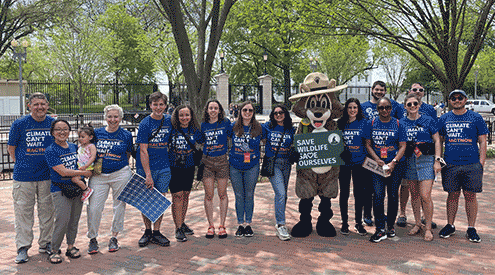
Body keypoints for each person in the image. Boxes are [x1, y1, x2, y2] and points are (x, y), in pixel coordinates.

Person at [8, 93, 55, 264]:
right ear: (29, 106)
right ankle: (22, 247)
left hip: (48, 176)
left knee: (48, 212)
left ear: (47, 105)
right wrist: (22, 164)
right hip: (24, 177)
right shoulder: (19, 124)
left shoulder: (53, 123)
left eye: (42, 104)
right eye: (36, 104)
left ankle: (46, 243)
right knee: (23, 214)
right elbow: (11, 148)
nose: (40, 107)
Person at [438, 90, 488, 243]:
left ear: (465, 100)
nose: (457, 100)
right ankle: (450, 225)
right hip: (451, 164)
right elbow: (439, 141)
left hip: (471, 164)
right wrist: (439, 159)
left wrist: (481, 162)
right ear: (449, 100)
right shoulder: (444, 118)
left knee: (470, 196)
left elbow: (483, 141)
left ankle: (471, 228)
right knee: (452, 195)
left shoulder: (476, 117)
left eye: (460, 98)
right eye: (453, 98)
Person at [86, 105, 133, 254]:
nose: (113, 120)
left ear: (120, 118)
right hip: (99, 176)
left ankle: (114, 237)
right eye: (110, 116)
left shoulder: (126, 135)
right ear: (105, 118)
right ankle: (92, 238)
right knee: (94, 208)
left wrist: (119, 165)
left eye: (116, 116)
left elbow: (128, 153)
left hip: (120, 173)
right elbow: (87, 151)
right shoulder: (97, 133)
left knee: (119, 205)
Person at [44, 119, 92, 264]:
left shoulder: (73, 147)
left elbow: (83, 161)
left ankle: (71, 246)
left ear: (69, 131)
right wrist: (83, 174)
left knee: (74, 220)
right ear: (52, 133)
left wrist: (85, 170)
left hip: (76, 189)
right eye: (58, 129)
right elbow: (63, 172)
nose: (62, 132)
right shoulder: (51, 150)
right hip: (60, 189)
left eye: (65, 129)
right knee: (62, 220)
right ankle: (54, 250)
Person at [400, 94, 442, 242]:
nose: (412, 106)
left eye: (415, 104)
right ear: (405, 106)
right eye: (409, 104)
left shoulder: (428, 120)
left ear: (419, 104)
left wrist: (437, 160)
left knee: (425, 195)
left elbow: (437, 140)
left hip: (426, 160)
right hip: (409, 161)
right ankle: (417, 223)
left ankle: (428, 228)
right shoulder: (402, 122)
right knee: (414, 195)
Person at [364, 97, 407, 243]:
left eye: (387, 107)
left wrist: (394, 162)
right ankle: (380, 227)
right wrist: (376, 158)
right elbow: (368, 144)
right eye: (381, 108)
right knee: (378, 195)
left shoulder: (398, 124)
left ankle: (390, 226)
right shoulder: (371, 123)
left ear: (391, 109)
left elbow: (403, 146)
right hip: (377, 166)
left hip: (395, 166)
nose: (384, 110)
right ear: (377, 109)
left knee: (393, 195)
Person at [136, 92, 173, 247]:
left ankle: (157, 231)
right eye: (155, 104)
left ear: (165, 106)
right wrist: (148, 174)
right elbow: (143, 150)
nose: (158, 108)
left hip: (164, 166)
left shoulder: (170, 120)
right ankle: (147, 230)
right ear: (150, 105)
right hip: (146, 167)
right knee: (146, 199)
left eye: (161, 104)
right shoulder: (145, 124)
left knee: (160, 199)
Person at [336, 98, 371, 237]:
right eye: (350, 107)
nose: (352, 110)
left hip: (359, 163)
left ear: (358, 109)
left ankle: (358, 223)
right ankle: (344, 223)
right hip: (344, 163)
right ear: (346, 109)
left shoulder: (364, 123)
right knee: (344, 193)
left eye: (355, 107)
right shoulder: (340, 123)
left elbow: (368, 143)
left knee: (359, 194)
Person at [230, 101, 264, 238]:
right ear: (240, 111)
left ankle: (248, 224)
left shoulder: (258, 128)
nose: (247, 113)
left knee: (249, 195)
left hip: (252, 166)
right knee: (239, 196)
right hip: (235, 166)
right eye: (245, 110)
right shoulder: (233, 127)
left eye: (250, 110)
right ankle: (240, 224)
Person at [169, 105, 202, 242]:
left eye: (187, 115)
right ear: (177, 116)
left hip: (189, 167)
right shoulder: (171, 130)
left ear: (191, 116)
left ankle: (182, 222)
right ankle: (177, 227)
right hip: (174, 167)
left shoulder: (195, 130)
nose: (184, 118)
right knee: (177, 196)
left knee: (186, 195)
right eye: (181, 115)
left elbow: (203, 143)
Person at [262, 104, 295, 241]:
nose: (278, 115)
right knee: (280, 193)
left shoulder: (291, 129)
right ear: (272, 115)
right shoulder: (267, 127)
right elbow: (260, 137)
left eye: (281, 112)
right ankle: (281, 224)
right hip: (273, 164)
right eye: (276, 113)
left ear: (285, 114)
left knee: (284, 195)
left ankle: (280, 220)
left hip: (286, 164)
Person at [201, 100, 232, 239]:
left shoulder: (225, 123)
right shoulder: (203, 125)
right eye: (211, 108)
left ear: (219, 110)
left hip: (222, 161)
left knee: (222, 194)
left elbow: (235, 135)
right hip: (207, 162)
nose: (213, 110)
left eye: (216, 108)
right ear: (207, 110)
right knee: (208, 195)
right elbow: (198, 140)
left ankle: (222, 225)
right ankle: (210, 225)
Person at [72, 125, 96, 202]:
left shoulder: (91, 146)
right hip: (80, 167)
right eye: (79, 136)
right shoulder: (80, 146)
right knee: (75, 178)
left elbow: (93, 157)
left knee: (75, 179)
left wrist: (86, 166)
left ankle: (86, 190)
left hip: (87, 168)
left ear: (90, 137)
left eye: (83, 137)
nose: (80, 139)